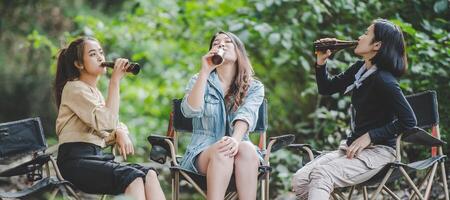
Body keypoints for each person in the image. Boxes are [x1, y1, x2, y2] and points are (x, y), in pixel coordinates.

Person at [291, 19, 417, 199]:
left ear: (377, 45)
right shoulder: (360, 69)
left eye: (366, 33)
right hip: (352, 149)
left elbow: (410, 121)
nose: (360, 36)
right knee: (300, 180)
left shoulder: (384, 80)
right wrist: (321, 63)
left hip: (379, 153)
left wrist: (370, 136)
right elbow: (327, 88)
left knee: (322, 175)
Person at [54, 37, 165, 200]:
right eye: (93, 54)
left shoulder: (94, 93)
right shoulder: (74, 88)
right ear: (79, 64)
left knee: (149, 174)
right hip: (75, 161)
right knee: (132, 178)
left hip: (95, 157)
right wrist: (115, 81)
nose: (100, 57)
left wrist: (119, 131)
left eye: (101, 52)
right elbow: (107, 122)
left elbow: (110, 125)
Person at [179, 31, 264, 200]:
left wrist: (235, 139)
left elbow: (246, 115)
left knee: (246, 148)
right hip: (202, 152)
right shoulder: (199, 79)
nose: (221, 44)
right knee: (223, 149)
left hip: (241, 150)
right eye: (216, 43)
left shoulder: (254, 87)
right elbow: (190, 111)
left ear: (239, 51)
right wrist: (204, 71)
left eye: (227, 41)